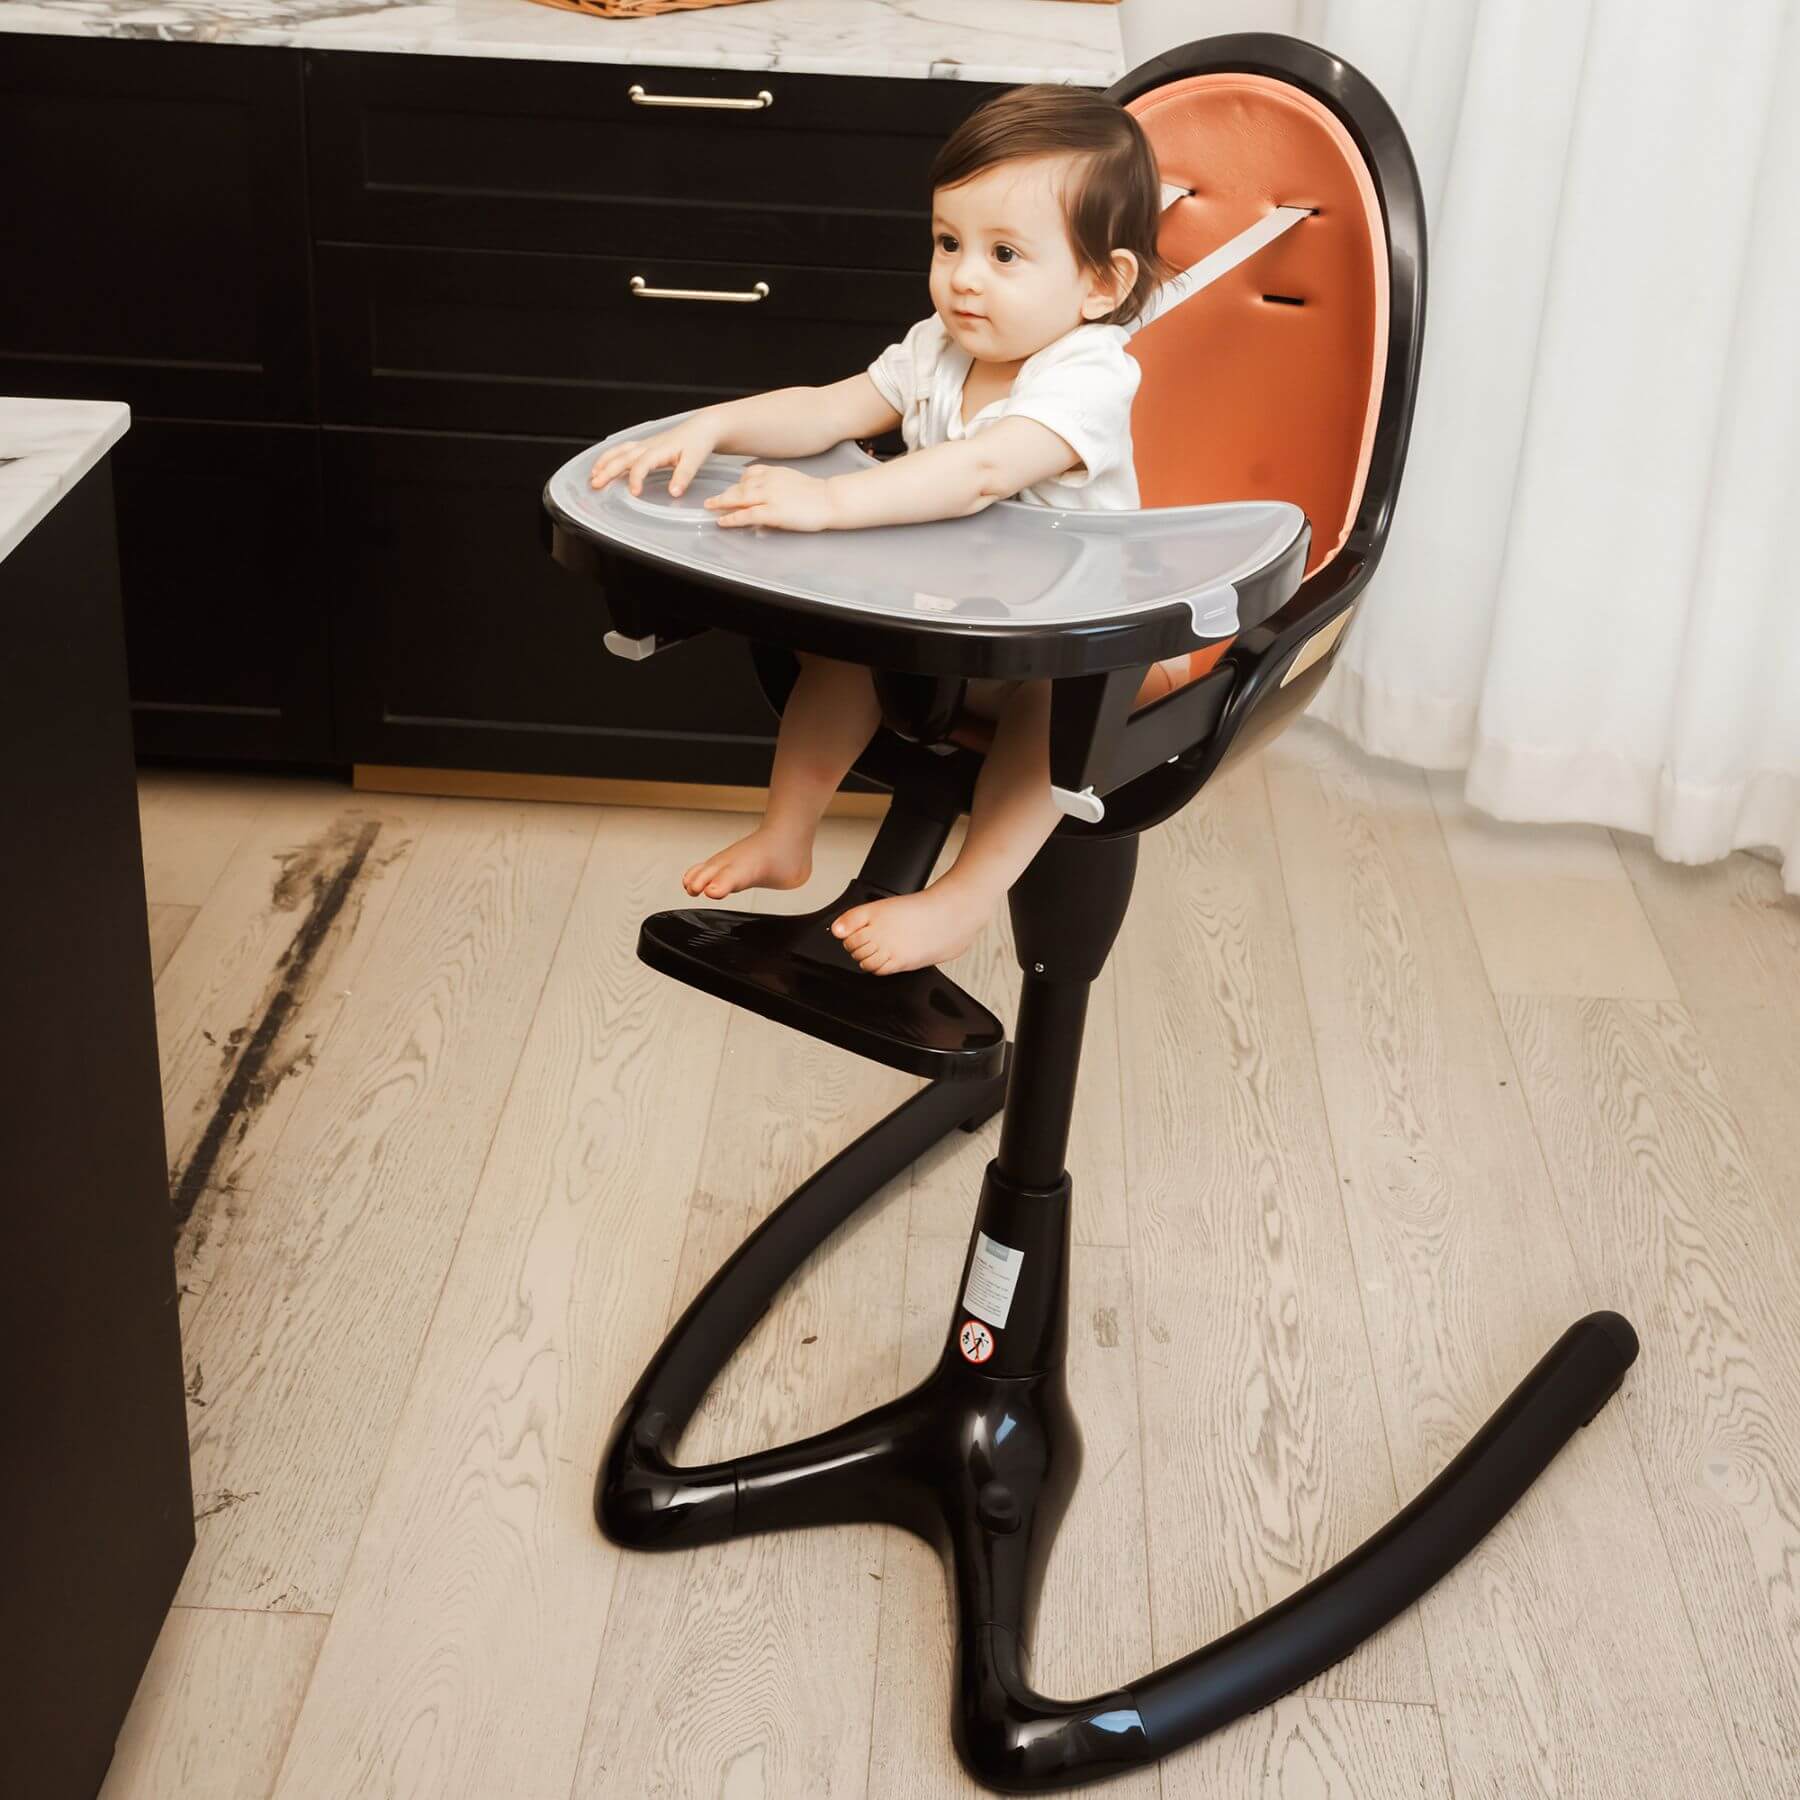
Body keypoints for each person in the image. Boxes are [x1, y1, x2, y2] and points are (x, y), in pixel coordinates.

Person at [587, 84, 1178, 975]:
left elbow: (981, 470)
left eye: (1005, 253)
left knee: (1051, 718)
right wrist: (717, 425)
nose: (963, 275)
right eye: (949, 243)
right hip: (952, 629)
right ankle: (787, 836)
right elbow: (829, 410)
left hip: (1072, 653)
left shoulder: (1087, 376)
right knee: (839, 653)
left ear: (1103, 283)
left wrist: (827, 505)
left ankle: (964, 896)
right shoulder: (942, 347)